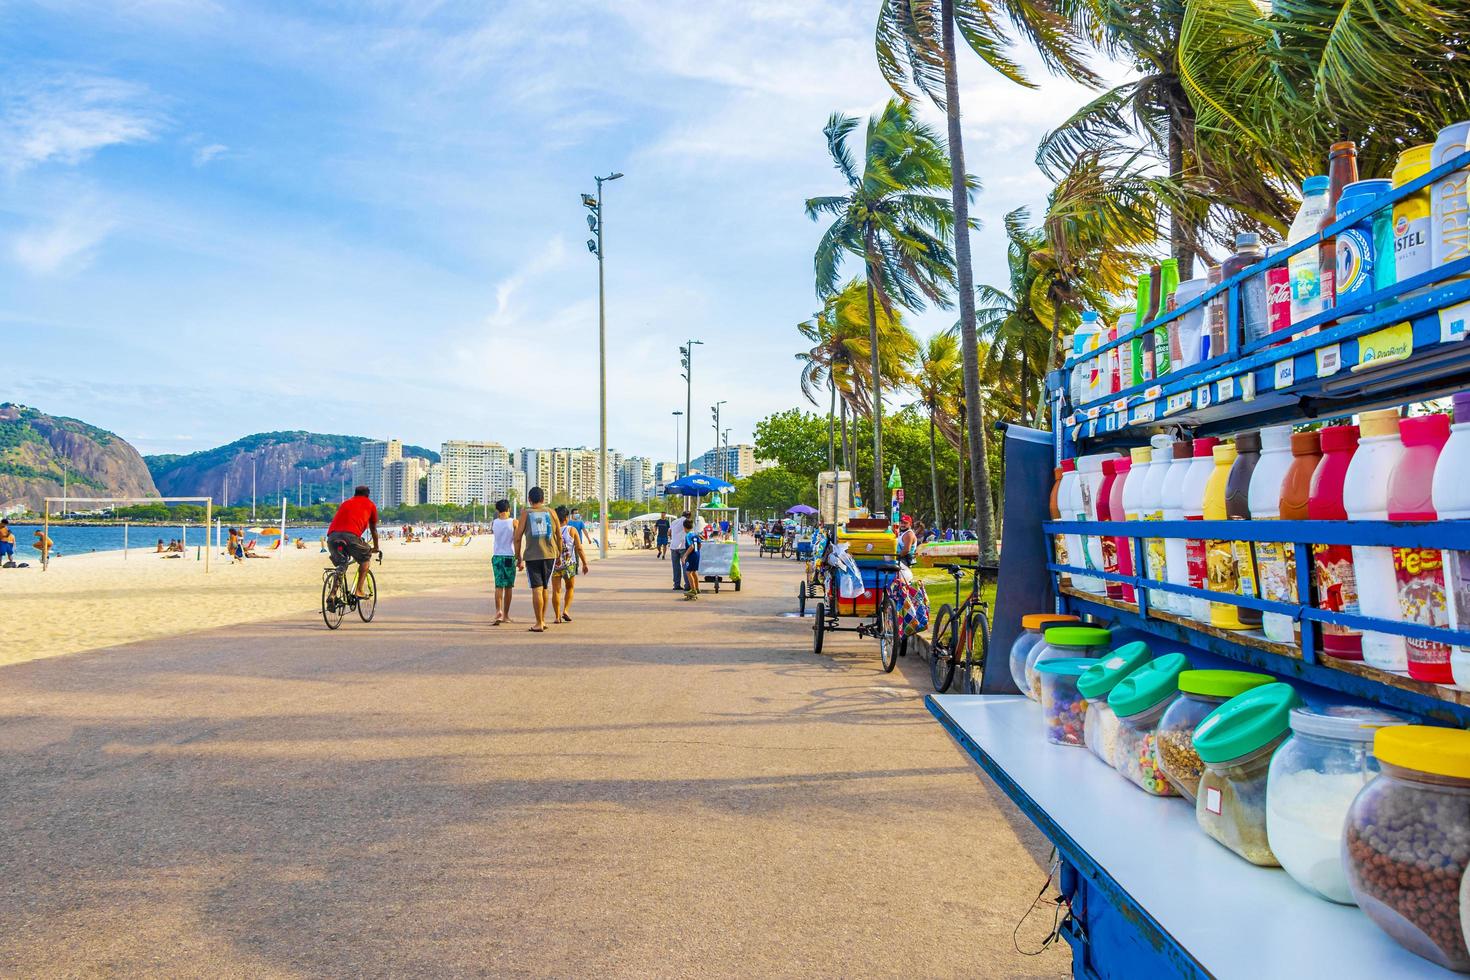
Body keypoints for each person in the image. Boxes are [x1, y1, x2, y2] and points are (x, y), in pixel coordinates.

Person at [514, 485, 561, 633]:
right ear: (543, 499)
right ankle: (543, 620)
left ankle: (539, 622)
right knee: (545, 587)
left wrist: (518, 556)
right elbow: (558, 535)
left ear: (529, 499)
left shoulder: (526, 513)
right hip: (550, 554)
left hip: (533, 556)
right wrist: (559, 553)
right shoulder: (552, 513)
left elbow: (517, 537)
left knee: (537, 589)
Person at [326, 485, 381, 597]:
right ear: (367, 495)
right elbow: (373, 529)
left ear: (355, 493)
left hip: (332, 537)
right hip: (351, 536)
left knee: (342, 564)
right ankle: (359, 590)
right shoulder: (370, 505)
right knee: (365, 559)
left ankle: (332, 594)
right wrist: (376, 547)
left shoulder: (345, 503)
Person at [551, 504, 589, 623]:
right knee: (570, 587)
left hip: (555, 564)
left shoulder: (551, 531)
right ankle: (566, 610)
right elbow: (579, 548)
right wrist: (584, 563)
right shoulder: (571, 530)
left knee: (556, 590)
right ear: (566, 518)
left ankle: (557, 617)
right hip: (569, 563)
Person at [490, 499, 516, 625]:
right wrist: (519, 558)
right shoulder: (513, 522)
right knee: (509, 587)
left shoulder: (494, 522)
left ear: (497, 510)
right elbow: (516, 540)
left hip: (497, 556)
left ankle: (498, 611)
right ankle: (505, 615)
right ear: (509, 509)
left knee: (498, 586)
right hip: (509, 556)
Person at [681, 517, 702, 600]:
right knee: (694, 571)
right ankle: (697, 588)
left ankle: (693, 590)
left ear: (684, 527)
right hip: (697, 554)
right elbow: (700, 544)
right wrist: (697, 551)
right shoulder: (695, 534)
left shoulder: (688, 535)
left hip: (691, 555)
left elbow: (691, 546)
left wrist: (684, 556)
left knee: (688, 572)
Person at [669, 510, 690, 590]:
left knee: (676, 566)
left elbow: (669, 533)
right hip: (683, 546)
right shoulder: (687, 521)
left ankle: (676, 585)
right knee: (685, 566)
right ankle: (687, 585)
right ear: (688, 516)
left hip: (673, 546)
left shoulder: (674, 522)